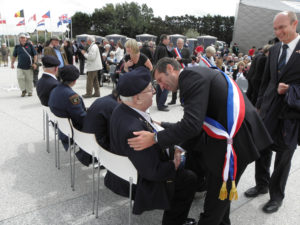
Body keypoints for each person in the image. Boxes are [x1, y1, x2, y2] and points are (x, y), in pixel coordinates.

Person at [127, 58, 272, 225]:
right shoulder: (194, 75)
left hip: (236, 142)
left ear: (170, 68)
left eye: (160, 79)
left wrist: (155, 138)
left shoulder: (190, 77)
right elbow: (199, 120)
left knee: (215, 201)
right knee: (219, 197)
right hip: (231, 137)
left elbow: (192, 125)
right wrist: (167, 128)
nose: (160, 86)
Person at [105, 66, 197, 225]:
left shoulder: (123, 109)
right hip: (139, 181)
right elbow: (153, 172)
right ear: (137, 98)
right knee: (189, 178)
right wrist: (174, 164)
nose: (154, 92)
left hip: (124, 170)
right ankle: (174, 221)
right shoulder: (134, 130)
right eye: (150, 90)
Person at [244, 11, 300, 214]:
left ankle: (276, 197)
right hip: (267, 109)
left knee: (284, 156)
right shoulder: (275, 49)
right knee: (262, 149)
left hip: (290, 115)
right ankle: (262, 184)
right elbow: (265, 81)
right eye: (275, 29)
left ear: (295, 24)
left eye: (282, 27)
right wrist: (258, 105)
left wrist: (291, 91)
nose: (278, 32)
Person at [75, 89, 120, 166]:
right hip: (95, 151)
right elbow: (115, 134)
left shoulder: (103, 100)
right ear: (120, 98)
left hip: (85, 144)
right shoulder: (114, 106)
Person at [48, 65, 86, 150]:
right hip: (72, 132)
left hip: (62, 129)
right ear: (75, 81)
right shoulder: (72, 96)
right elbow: (81, 118)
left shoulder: (54, 89)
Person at [11, 33, 38, 97]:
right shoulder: (17, 47)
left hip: (29, 66)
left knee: (29, 80)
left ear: (26, 39)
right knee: (20, 78)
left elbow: (35, 55)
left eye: (24, 38)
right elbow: (14, 56)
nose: (22, 39)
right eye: (21, 38)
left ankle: (30, 91)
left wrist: (34, 63)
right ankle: (23, 90)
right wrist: (12, 63)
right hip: (20, 66)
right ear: (19, 39)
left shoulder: (30, 45)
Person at [153, 34, 173, 111]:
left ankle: (159, 104)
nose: (169, 41)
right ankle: (161, 105)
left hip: (158, 70)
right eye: (168, 39)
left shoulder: (158, 47)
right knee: (166, 88)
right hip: (163, 71)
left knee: (159, 87)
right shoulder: (163, 48)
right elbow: (164, 61)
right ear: (164, 40)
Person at [169, 38, 191, 105]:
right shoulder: (173, 51)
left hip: (183, 69)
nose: (179, 44)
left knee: (182, 85)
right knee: (174, 85)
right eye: (178, 43)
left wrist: (181, 59)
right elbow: (169, 60)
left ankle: (182, 101)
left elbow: (190, 60)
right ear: (176, 43)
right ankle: (173, 100)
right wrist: (173, 60)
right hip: (175, 70)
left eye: (181, 43)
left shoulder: (187, 50)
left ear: (183, 43)